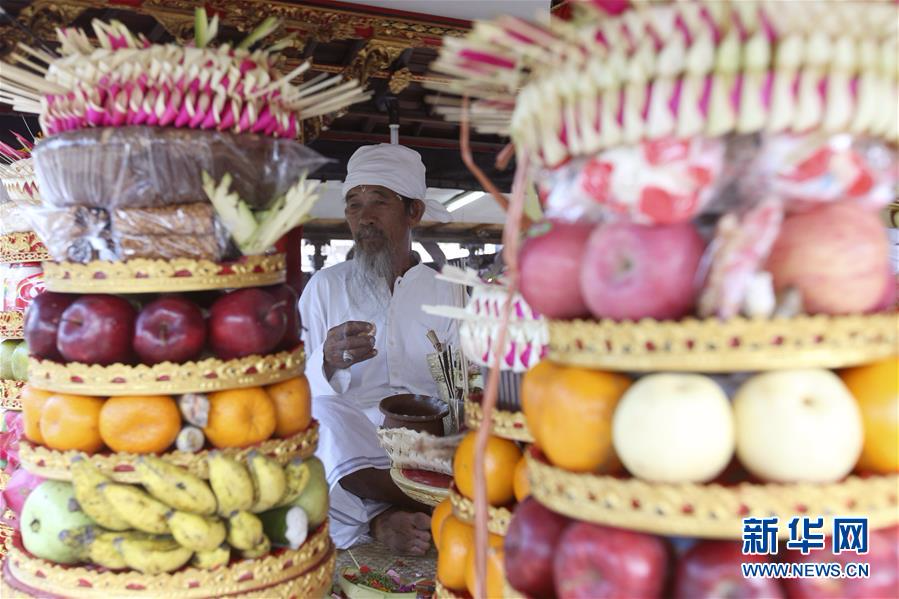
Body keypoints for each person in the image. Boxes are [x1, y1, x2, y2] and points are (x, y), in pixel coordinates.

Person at [299, 143, 462, 554]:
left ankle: (378, 515)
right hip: (353, 446)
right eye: (353, 204)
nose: (364, 217)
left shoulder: (450, 291)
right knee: (314, 424)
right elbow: (297, 387)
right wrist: (327, 361)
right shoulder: (325, 287)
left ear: (414, 212)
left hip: (430, 445)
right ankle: (404, 513)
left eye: (379, 201)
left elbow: (467, 381)